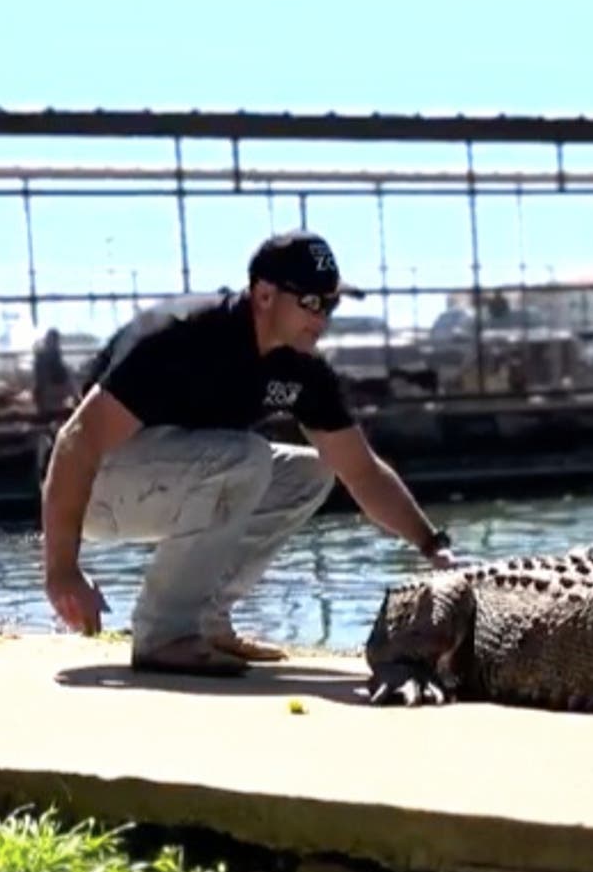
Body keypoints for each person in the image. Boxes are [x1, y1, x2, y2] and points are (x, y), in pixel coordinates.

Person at [40, 230, 456, 677]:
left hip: (173, 480)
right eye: (312, 302)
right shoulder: (184, 336)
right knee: (245, 457)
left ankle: (206, 622)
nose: (323, 317)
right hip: (91, 487)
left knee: (312, 472)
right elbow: (76, 442)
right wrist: (62, 570)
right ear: (263, 295)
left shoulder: (302, 370)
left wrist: (434, 545)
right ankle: (165, 634)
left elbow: (364, 474)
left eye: (331, 304)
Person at [32, 327, 78, 416]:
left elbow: (40, 381)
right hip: (51, 392)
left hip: (52, 394)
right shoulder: (45, 357)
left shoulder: (46, 356)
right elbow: (41, 381)